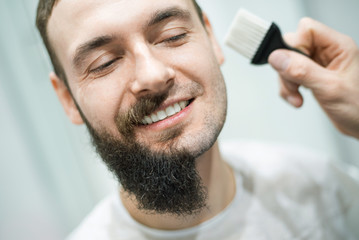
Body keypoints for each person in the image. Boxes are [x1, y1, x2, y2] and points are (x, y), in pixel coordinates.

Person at [35, 0, 359, 239]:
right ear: (67, 99)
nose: (152, 74)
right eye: (105, 62)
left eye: (173, 35)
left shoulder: (325, 193)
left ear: (211, 39)